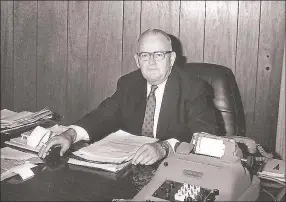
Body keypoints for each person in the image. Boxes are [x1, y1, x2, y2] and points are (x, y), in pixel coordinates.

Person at [39, 29, 218, 165]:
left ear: (171, 59)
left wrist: (164, 147)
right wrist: (70, 135)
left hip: (174, 166)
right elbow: (104, 115)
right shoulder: (129, 83)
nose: (152, 62)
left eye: (159, 54)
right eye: (145, 55)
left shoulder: (193, 88)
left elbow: (204, 135)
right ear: (137, 60)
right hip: (133, 166)